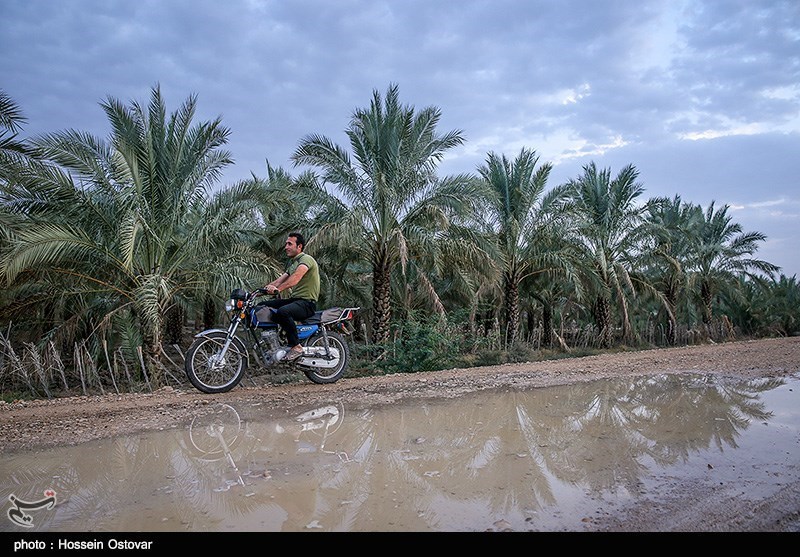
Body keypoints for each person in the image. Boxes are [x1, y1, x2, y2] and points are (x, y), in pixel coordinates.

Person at [259, 232, 320, 362]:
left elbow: (296, 278)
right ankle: (274, 341)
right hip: (296, 300)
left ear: (299, 247)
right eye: (286, 244)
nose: (286, 247)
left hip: (307, 303)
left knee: (283, 311)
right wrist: (258, 292)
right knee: (263, 306)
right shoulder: (293, 264)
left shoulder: (306, 259)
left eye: (289, 244)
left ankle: (296, 346)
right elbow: (278, 281)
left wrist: (277, 290)